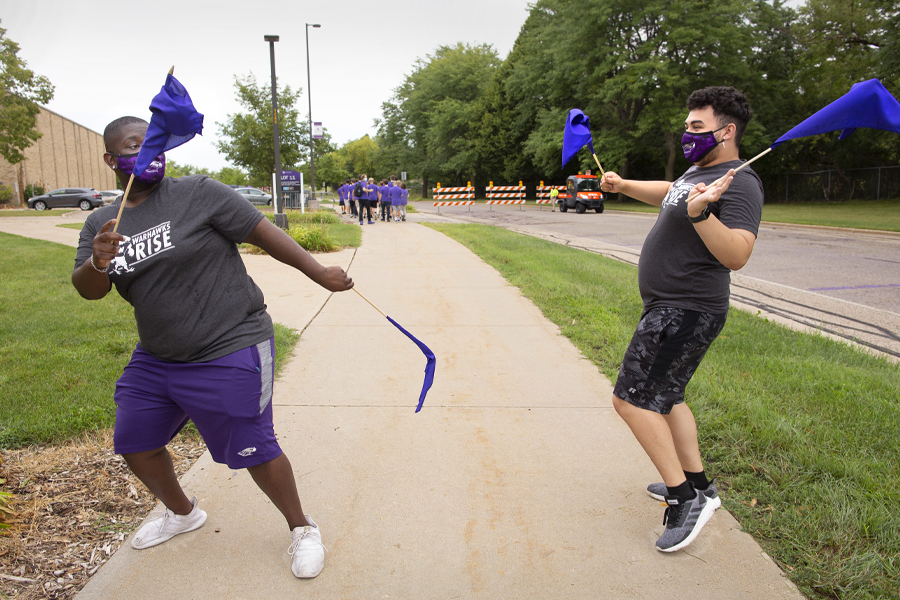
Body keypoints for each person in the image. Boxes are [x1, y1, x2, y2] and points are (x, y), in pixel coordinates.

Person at [72, 116, 354, 579]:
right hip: (159, 355)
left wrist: (319, 272)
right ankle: (183, 513)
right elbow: (89, 291)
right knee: (135, 442)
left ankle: (302, 527)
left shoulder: (197, 193)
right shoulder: (101, 222)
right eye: (135, 145)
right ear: (111, 159)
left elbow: (263, 232)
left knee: (253, 447)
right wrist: (98, 262)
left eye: (156, 142)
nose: (150, 152)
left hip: (229, 342)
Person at [599, 86, 763, 553]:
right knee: (668, 397)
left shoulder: (740, 180)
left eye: (697, 127)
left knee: (631, 401)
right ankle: (701, 485)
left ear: (726, 131)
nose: (687, 133)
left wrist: (703, 212)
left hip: (685, 310)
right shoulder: (699, 171)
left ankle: (683, 498)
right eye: (687, 126)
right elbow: (671, 193)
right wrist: (624, 185)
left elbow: (738, 255)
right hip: (672, 308)